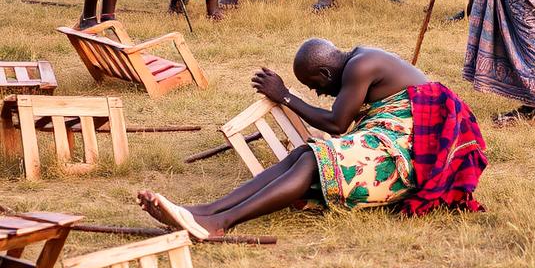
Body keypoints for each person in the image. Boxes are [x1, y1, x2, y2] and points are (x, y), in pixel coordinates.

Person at [136, 38, 487, 237]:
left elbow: (336, 124)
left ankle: (219, 224)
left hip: (411, 153)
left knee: (316, 160)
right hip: (396, 137)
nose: (319, 94)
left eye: (316, 86)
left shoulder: (360, 67)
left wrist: (286, 96)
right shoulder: (359, 59)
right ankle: (204, 211)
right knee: (306, 154)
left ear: (324, 70)